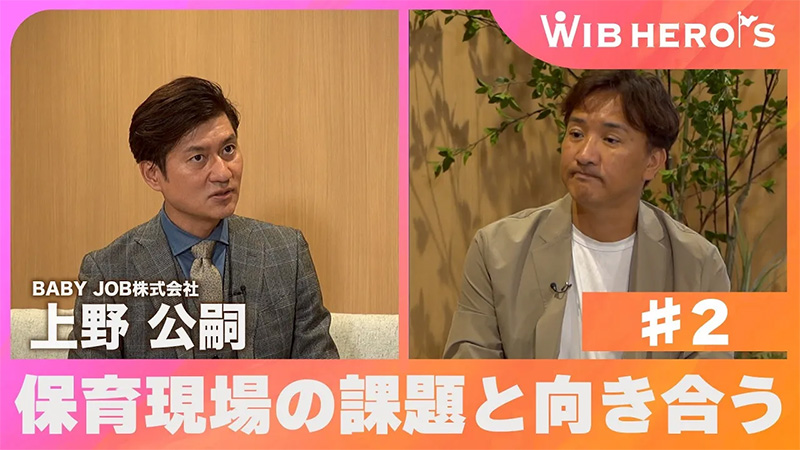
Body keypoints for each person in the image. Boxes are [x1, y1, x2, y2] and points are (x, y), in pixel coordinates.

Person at [443, 70, 730, 359]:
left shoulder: (696, 266)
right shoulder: (498, 251)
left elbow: (706, 382)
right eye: (576, 134)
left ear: (652, 162)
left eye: (611, 139)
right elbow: (470, 373)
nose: (585, 155)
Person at [68, 77, 338, 359]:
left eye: (228, 150)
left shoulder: (287, 253)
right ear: (153, 174)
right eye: (198, 158)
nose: (223, 173)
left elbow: (321, 375)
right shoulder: (108, 273)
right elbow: (89, 384)